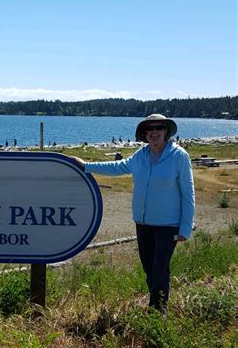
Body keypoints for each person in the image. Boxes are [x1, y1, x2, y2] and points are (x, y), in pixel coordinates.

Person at [75, 114, 195, 310]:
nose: (154, 132)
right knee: (149, 269)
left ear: (166, 131)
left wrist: (185, 227)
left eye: (159, 127)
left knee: (160, 269)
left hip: (168, 225)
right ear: (144, 133)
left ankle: (158, 312)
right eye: (150, 128)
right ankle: (155, 305)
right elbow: (118, 167)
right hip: (143, 223)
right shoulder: (141, 155)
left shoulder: (179, 156)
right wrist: (86, 166)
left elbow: (188, 193)